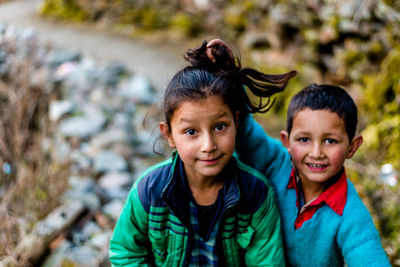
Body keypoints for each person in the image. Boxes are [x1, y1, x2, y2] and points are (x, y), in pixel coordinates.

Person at [109, 40, 296, 266]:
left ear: (236, 122)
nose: (208, 145)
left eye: (219, 127)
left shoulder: (256, 195)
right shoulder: (149, 191)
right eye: (191, 131)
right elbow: (126, 253)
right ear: (169, 135)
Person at [234, 84, 391, 266]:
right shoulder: (277, 163)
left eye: (330, 141)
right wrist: (229, 74)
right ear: (287, 141)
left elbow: (368, 254)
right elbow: (246, 133)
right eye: (304, 139)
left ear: (352, 146)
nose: (316, 152)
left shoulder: (351, 212)